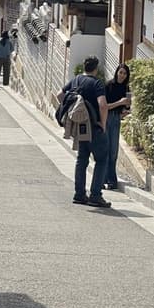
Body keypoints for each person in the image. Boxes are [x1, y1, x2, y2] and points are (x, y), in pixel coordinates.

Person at [58, 56, 110, 208]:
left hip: (79, 126)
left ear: (84, 66)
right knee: (101, 159)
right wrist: (103, 123)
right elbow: (103, 105)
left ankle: (79, 194)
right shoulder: (97, 83)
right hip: (94, 127)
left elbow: (59, 95)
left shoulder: (76, 80)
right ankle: (95, 195)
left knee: (82, 160)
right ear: (96, 68)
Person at [104, 63, 131, 190]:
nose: (122, 76)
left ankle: (110, 179)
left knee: (113, 150)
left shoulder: (125, 88)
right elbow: (105, 106)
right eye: (120, 72)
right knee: (106, 149)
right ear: (116, 72)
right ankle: (107, 179)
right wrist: (119, 102)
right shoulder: (109, 85)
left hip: (116, 119)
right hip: (107, 117)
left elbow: (125, 108)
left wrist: (125, 110)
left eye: (124, 74)